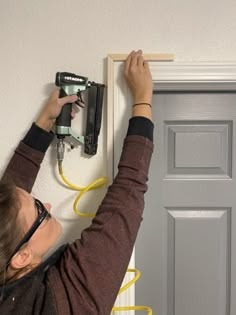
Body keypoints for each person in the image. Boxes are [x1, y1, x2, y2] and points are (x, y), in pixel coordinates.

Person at [0, 50, 153, 315]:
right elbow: (125, 202)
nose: (47, 204)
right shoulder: (64, 306)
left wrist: (45, 122)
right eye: (39, 211)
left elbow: (10, 207)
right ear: (21, 257)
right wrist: (142, 101)